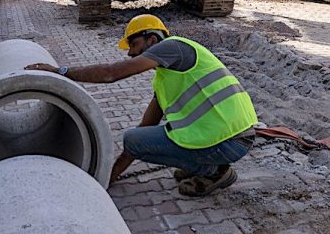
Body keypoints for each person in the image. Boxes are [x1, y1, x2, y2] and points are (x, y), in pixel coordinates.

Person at [24, 14, 257, 197]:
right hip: (234, 137)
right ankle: (206, 164)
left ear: (153, 39)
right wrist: (110, 174)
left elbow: (111, 74)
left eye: (133, 44)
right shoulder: (166, 77)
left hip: (229, 140)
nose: (130, 53)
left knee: (132, 138)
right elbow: (145, 127)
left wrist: (60, 72)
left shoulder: (173, 47)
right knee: (137, 138)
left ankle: (212, 171)